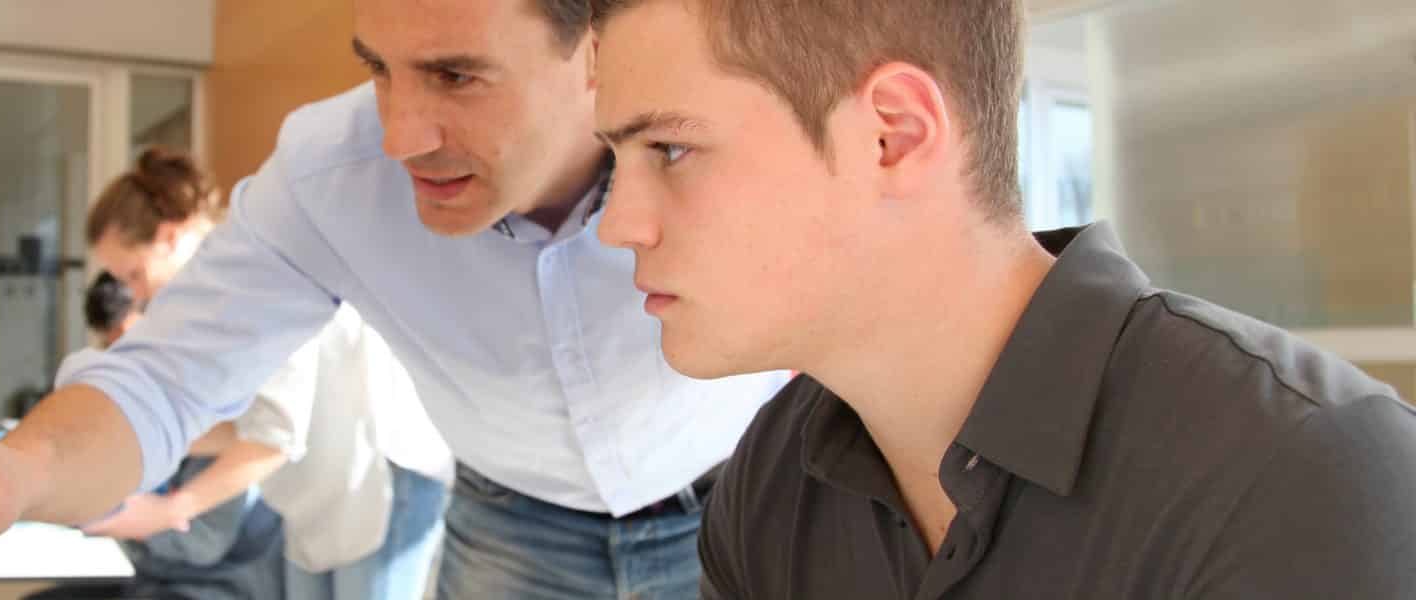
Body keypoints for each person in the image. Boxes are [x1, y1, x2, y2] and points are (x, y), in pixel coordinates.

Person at [0, 1, 789, 597]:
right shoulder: (329, 171)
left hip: (758, 502)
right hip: (510, 523)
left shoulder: (736, 128)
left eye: (454, 74)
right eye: (376, 69)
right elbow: (163, 378)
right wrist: (16, 473)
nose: (399, 135)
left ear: (596, 53)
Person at [586, 0, 1416, 598]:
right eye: (615, 164)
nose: (616, 225)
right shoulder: (770, 482)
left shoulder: (1302, 475)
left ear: (894, 136)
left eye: (670, 149)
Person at [74, 149, 454, 599]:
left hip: (382, 475)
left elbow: (272, 437)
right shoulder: (210, 297)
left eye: (134, 275)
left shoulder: (251, 270)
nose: (134, 295)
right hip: (321, 487)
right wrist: (132, 445)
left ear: (170, 237)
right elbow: (244, 426)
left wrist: (169, 509)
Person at [35, 271, 288, 600]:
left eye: (128, 340)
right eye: (111, 346)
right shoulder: (145, 414)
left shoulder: (218, 409)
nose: (124, 360)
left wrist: (125, 518)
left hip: (214, 587)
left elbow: (203, 544)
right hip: (154, 580)